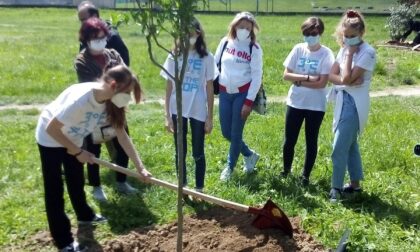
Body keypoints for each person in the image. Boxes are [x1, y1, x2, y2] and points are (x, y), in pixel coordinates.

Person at [35, 65, 152, 251]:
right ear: (113, 85)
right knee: (54, 189)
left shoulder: (110, 102)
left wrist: (140, 167)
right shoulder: (81, 101)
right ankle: (63, 240)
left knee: (76, 180)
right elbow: (52, 128)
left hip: (73, 136)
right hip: (50, 138)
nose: (128, 97)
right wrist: (78, 151)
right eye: (127, 92)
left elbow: (122, 135)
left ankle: (85, 215)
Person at [75, 17, 137, 201]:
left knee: (122, 144)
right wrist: (117, 87)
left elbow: (125, 78)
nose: (100, 41)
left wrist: (120, 88)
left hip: (117, 107)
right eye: (95, 38)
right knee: (93, 149)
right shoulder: (81, 61)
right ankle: (95, 186)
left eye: (103, 37)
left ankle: (121, 181)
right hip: (93, 110)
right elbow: (95, 86)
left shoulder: (113, 55)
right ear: (86, 40)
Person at [160, 18, 214, 192]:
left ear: (198, 34)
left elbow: (209, 86)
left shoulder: (207, 57)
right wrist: (167, 115)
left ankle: (199, 188)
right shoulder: (174, 56)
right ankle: (182, 187)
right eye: (184, 34)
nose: (188, 37)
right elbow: (169, 86)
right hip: (178, 109)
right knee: (180, 151)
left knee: (198, 151)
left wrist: (210, 117)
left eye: (192, 34)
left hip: (198, 109)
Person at [328, 10, 376, 202]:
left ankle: (336, 188)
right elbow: (330, 75)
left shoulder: (368, 52)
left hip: (355, 104)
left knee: (339, 146)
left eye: (351, 36)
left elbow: (346, 77)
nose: (347, 40)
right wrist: (343, 80)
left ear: (361, 33)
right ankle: (355, 186)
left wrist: (348, 56)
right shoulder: (343, 48)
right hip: (343, 99)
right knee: (350, 144)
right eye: (345, 36)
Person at [281, 17, 334, 186]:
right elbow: (286, 75)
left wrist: (298, 82)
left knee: (311, 141)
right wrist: (307, 77)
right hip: (295, 102)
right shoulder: (298, 49)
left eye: (313, 33)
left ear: (320, 33)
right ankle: (286, 170)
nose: (309, 36)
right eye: (306, 33)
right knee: (289, 140)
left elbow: (322, 83)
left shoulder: (326, 53)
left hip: (316, 106)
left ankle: (305, 176)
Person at [213, 12, 263, 181]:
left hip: (243, 94)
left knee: (235, 134)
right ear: (234, 26)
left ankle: (229, 167)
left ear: (252, 30)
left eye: (247, 28)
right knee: (226, 132)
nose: (244, 30)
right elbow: (215, 64)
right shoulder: (225, 42)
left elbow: (257, 76)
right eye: (241, 27)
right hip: (225, 92)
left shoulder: (254, 48)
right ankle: (249, 154)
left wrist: (248, 102)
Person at [77, 0, 130, 66]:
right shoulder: (85, 36)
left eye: (84, 20)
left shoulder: (113, 37)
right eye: (80, 20)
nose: (82, 24)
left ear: (94, 16)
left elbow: (125, 63)